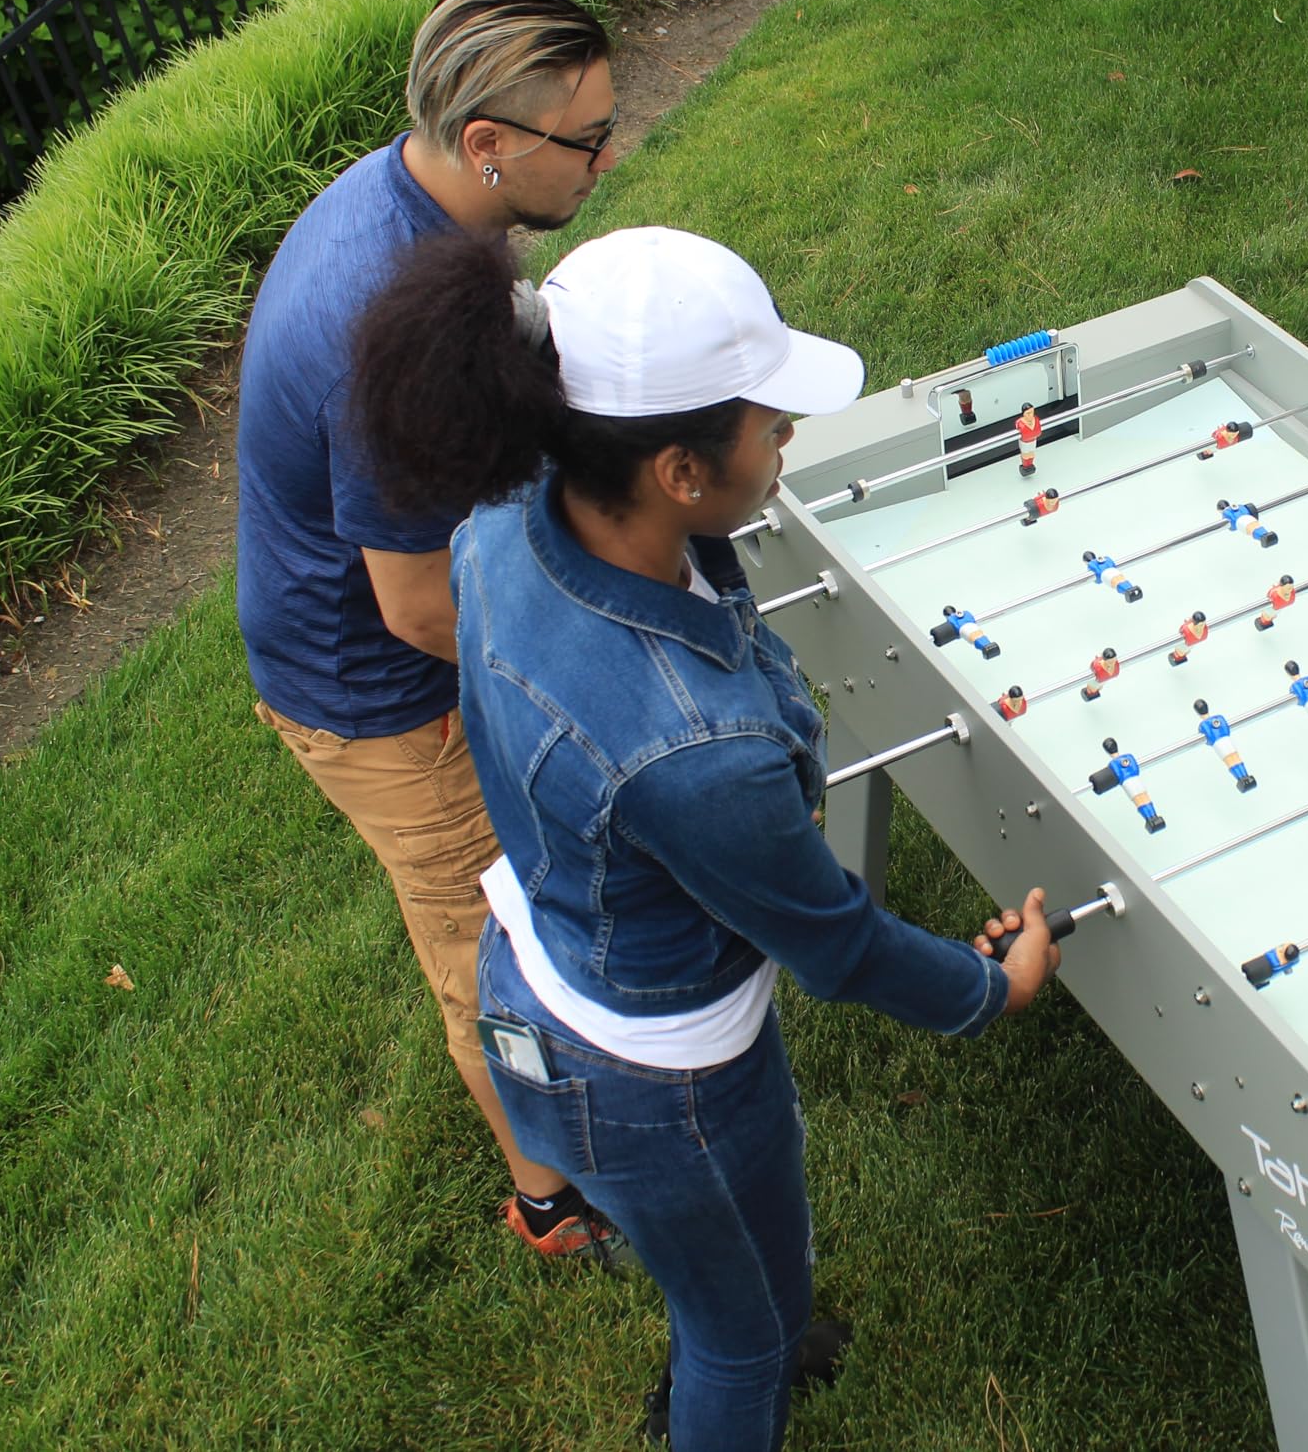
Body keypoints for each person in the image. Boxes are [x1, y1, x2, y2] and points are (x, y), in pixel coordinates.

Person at [349, 224, 1063, 1448]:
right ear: (678, 470)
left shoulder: (511, 514)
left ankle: (760, 1315)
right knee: (731, 1346)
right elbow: (835, 945)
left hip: (543, 974)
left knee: (742, 1254)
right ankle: (735, 1369)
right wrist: (986, 990)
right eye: (769, 426)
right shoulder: (696, 758)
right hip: (654, 1083)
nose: (788, 443)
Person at [236, 0, 626, 1259]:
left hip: (394, 615)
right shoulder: (374, 312)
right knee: (486, 944)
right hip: (375, 694)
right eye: (586, 139)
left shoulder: (425, 195)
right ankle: (553, 1195)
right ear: (486, 144)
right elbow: (411, 609)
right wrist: (589, 647)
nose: (609, 157)